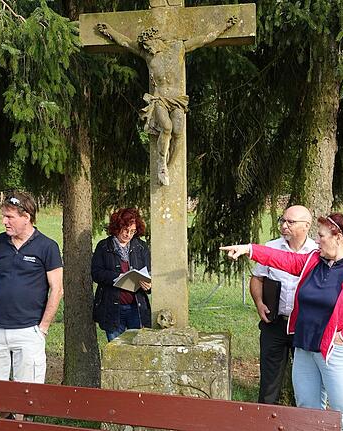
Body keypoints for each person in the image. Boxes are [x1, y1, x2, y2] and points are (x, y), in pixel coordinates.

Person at [221, 211, 343, 431]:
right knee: (306, 413)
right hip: (304, 348)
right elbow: (281, 259)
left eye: (321, 236)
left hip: (338, 352)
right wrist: (249, 249)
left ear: (338, 237)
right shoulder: (313, 261)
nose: (317, 241)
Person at [95, 15, 237, 186]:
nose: (146, 48)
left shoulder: (179, 47)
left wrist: (224, 26)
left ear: (156, 40)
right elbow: (125, 42)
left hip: (177, 100)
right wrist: (109, 31)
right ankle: (162, 162)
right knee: (167, 128)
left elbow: (205, 39)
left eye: (148, 44)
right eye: (144, 46)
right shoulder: (147, 55)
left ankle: (169, 165)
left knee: (178, 131)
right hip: (160, 99)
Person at [0, 191, 63, 419]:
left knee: (28, 397)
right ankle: (5, 423)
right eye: (3, 216)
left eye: (9, 217)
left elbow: (57, 289)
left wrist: (42, 328)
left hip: (29, 332)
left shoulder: (48, 247)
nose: (4, 221)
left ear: (27, 217)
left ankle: (23, 423)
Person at [250, 205, 317, 405]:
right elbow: (257, 278)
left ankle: (301, 419)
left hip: (303, 326)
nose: (284, 226)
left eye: (290, 222)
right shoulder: (270, 248)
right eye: (283, 220)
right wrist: (259, 303)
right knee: (269, 379)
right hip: (275, 323)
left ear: (306, 225)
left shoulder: (316, 252)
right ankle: (265, 419)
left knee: (306, 380)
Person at [92, 208, 151, 341]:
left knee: (137, 350)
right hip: (112, 308)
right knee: (115, 350)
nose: (128, 234)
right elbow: (96, 273)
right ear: (117, 226)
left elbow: (149, 272)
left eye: (133, 231)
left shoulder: (140, 247)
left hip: (136, 307)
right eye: (125, 229)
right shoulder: (104, 246)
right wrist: (116, 277)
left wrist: (149, 285)